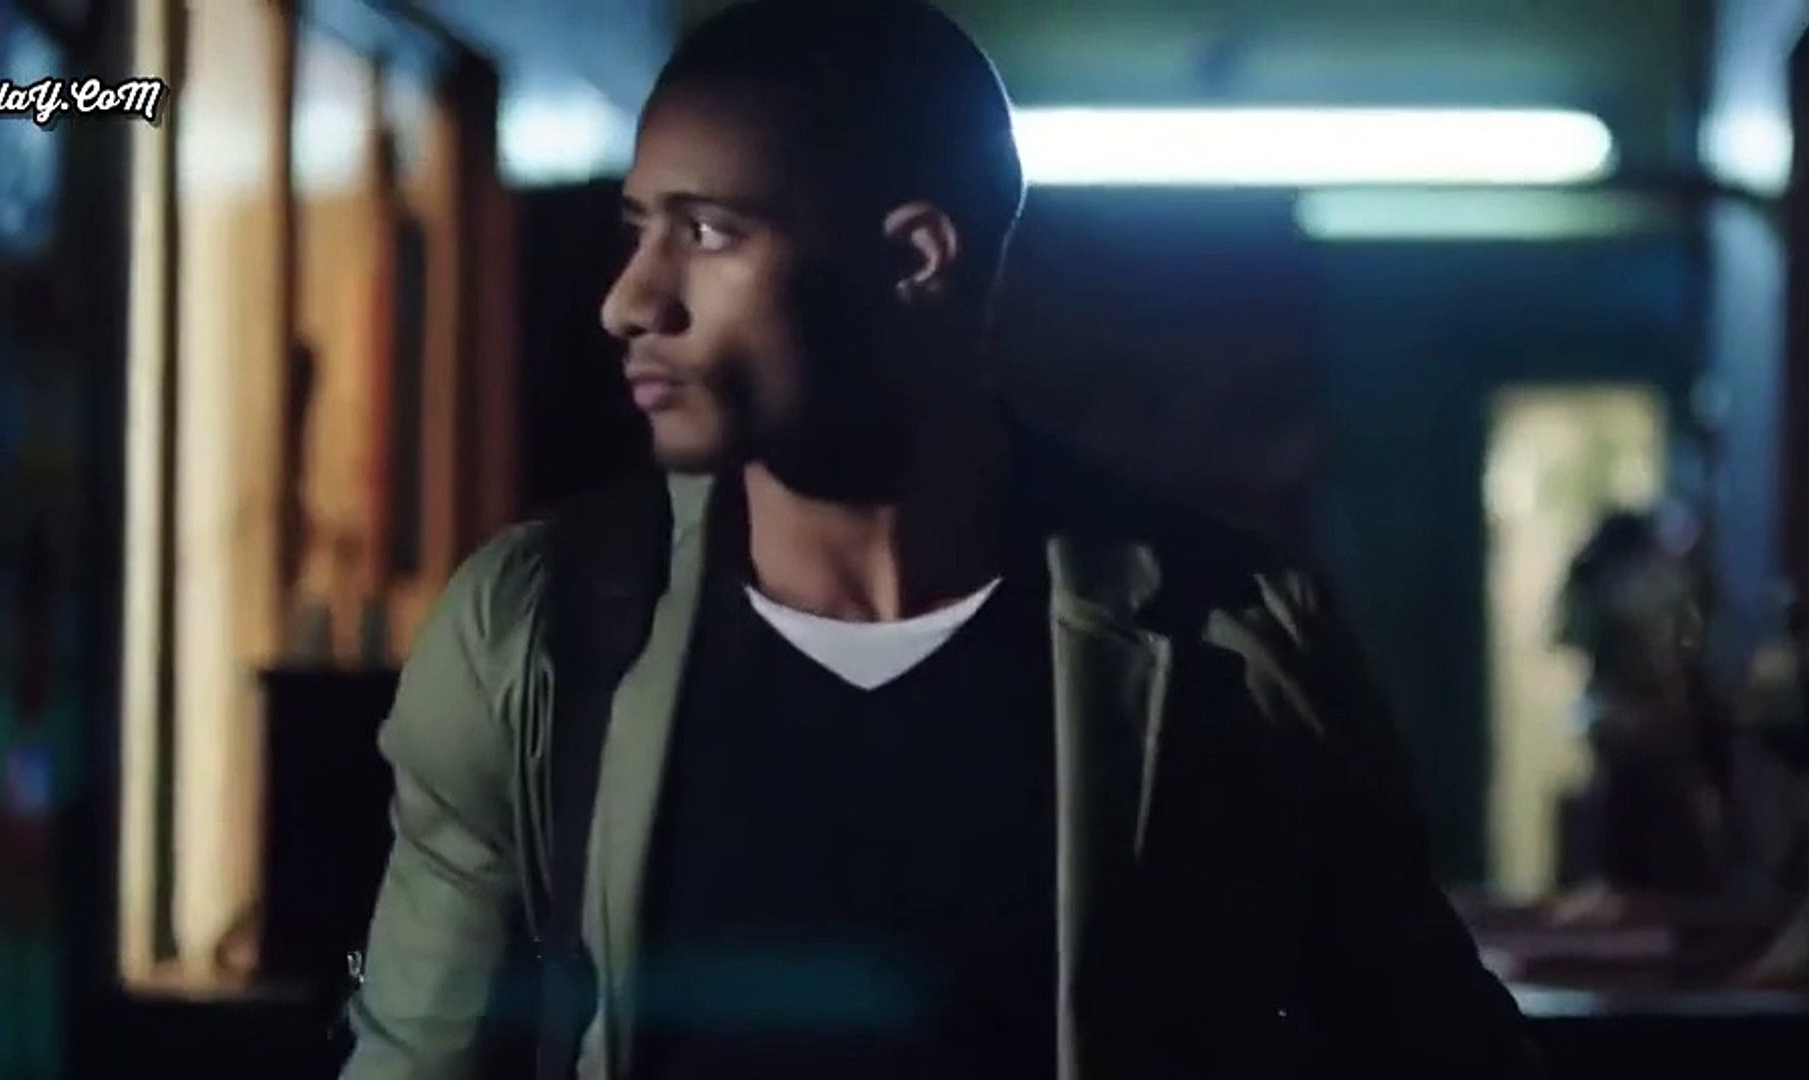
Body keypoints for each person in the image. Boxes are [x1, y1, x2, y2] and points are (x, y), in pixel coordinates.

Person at [341, 1, 1537, 1077]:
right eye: (637, 228)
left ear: (914, 257)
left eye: (706, 232)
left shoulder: (1228, 639)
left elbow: (1431, 1051)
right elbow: (416, 1058)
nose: (630, 300)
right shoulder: (537, 631)